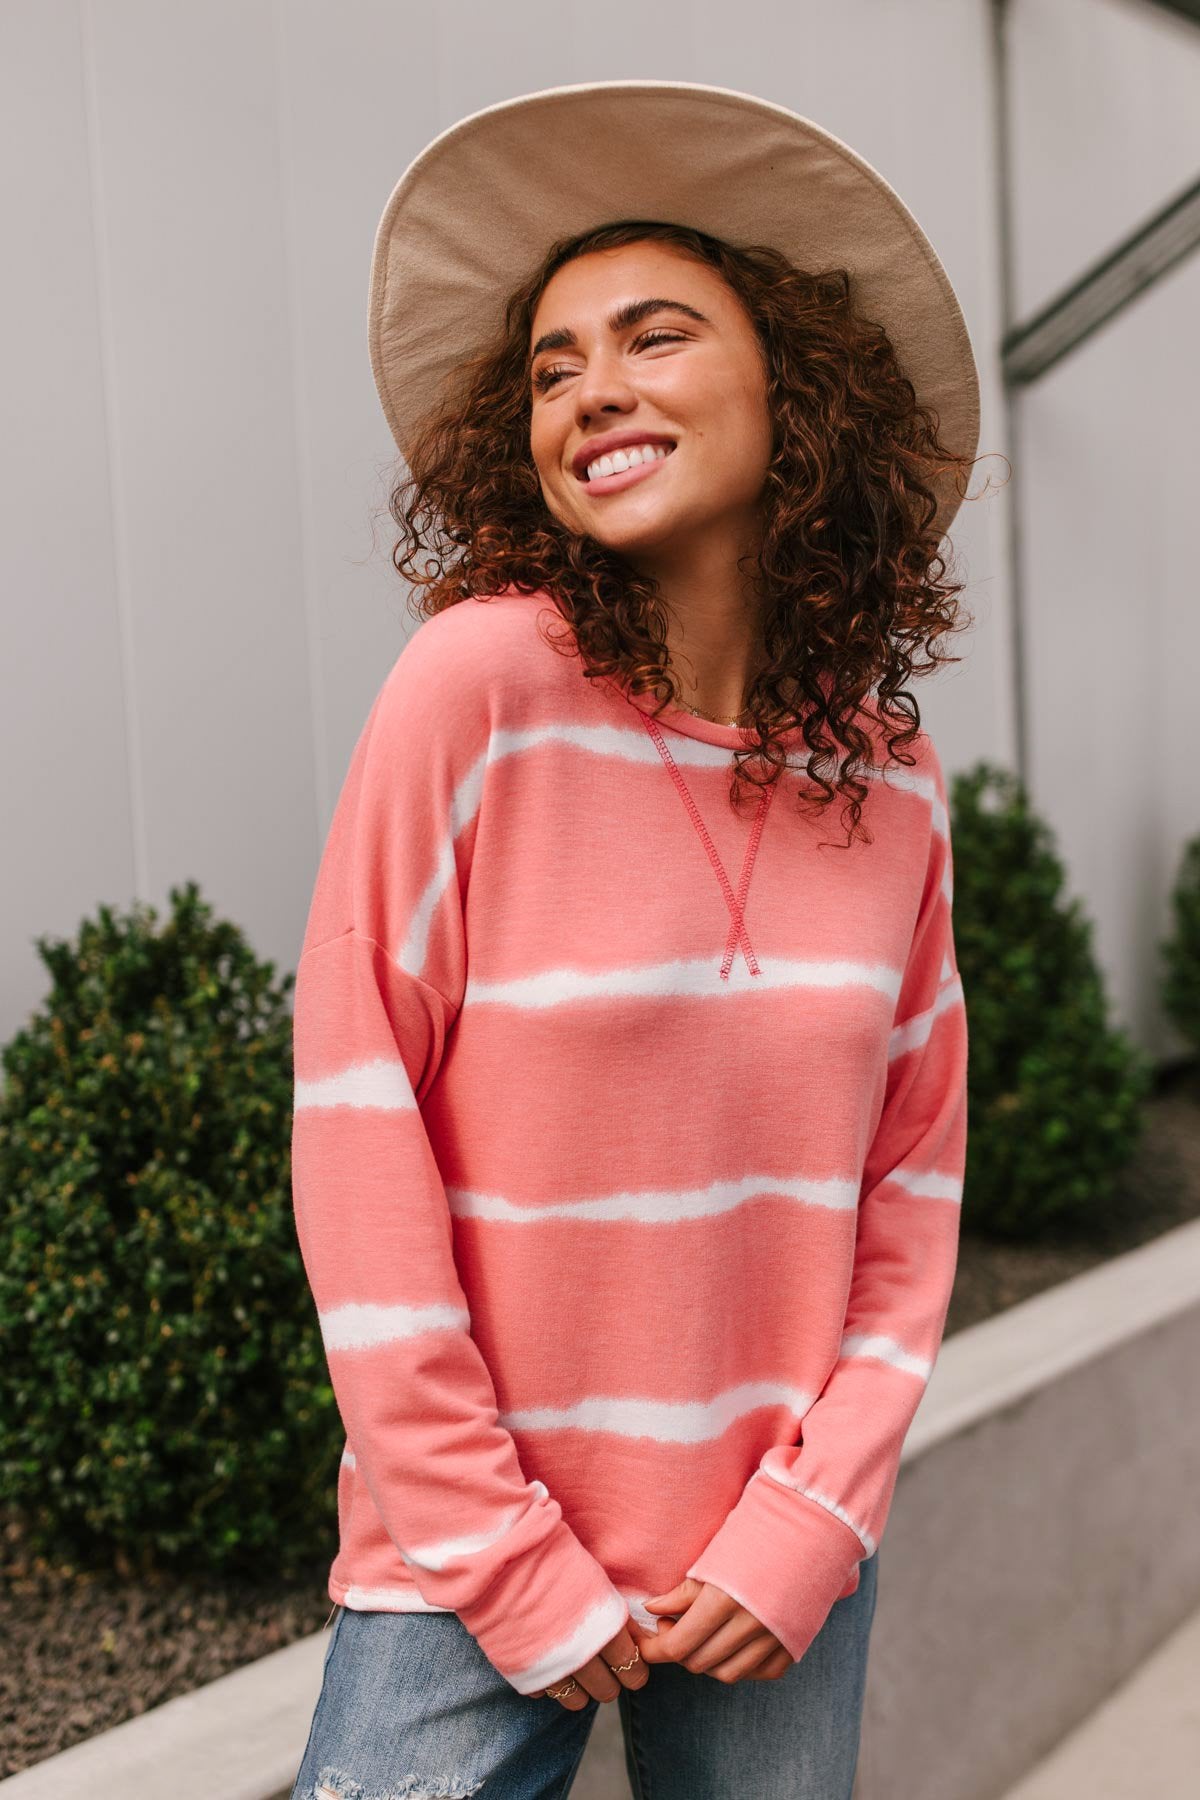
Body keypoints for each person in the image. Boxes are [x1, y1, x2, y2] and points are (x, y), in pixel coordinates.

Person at [288, 79, 980, 1800]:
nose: (590, 388)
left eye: (654, 335)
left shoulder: (884, 772)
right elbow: (355, 1123)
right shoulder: (479, 687)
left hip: (761, 1567)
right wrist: (502, 1555)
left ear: (794, 393)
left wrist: (814, 1519)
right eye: (549, 365)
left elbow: (911, 1184)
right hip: (467, 1563)